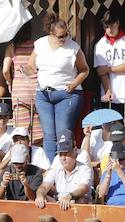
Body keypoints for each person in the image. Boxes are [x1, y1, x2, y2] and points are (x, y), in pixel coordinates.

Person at [27, 15, 88, 164]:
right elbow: (30, 65)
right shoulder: (40, 44)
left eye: (66, 34)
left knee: (63, 133)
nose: (64, 38)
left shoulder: (73, 47)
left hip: (67, 94)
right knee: (48, 135)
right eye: (60, 36)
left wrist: (74, 83)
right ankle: (51, 169)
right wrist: (30, 72)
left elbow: (85, 70)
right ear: (50, 33)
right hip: (43, 94)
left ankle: (65, 167)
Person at [93, 11, 125, 120]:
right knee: (113, 131)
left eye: (112, 25)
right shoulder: (100, 44)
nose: (110, 29)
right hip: (111, 96)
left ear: (117, 23)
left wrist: (109, 69)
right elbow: (101, 72)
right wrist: (108, 91)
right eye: (107, 26)